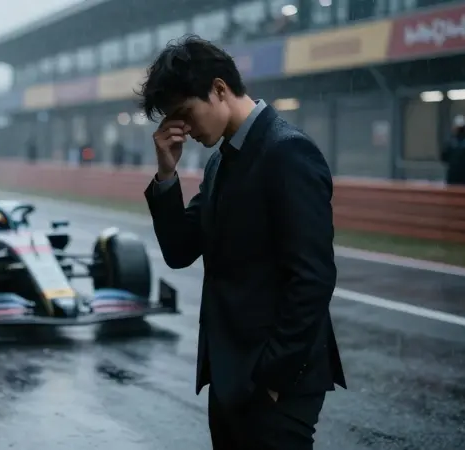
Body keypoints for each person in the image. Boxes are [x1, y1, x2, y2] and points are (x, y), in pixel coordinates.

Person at [140, 36, 345, 449]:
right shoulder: (222, 160)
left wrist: (271, 379)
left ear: (219, 89)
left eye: (186, 114)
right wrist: (166, 175)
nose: (185, 129)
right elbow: (180, 251)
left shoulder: (288, 153)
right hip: (232, 376)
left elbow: (313, 278)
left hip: (275, 383)